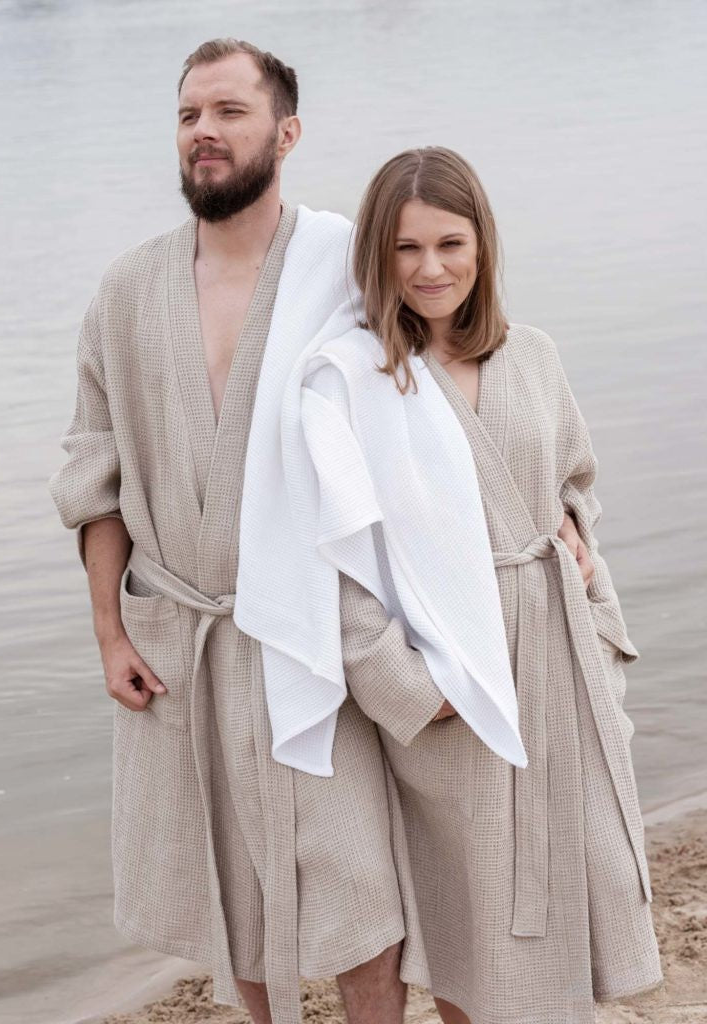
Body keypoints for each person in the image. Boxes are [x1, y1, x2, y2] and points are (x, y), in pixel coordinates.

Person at [50, 40, 427, 1024]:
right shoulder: (126, 292)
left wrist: (555, 506)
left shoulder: (346, 269)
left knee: (357, 890)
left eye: (229, 111)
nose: (205, 132)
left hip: (314, 623)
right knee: (227, 895)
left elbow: (438, 413)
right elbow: (94, 471)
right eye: (188, 116)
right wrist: (110, 632)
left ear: (286, 133)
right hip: (183, 636)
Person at [276, 147, 662, 1024]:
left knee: (580, 883)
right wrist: (416, 689)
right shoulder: (350, 381)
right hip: (449, 678)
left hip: (555, 660)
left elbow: (574, 480)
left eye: (450, 243)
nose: (431, 269)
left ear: (483, 245)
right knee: (477, 926)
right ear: (377, 257)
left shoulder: (533, 356)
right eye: (406, 250)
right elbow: (329, 557)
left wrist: (583, 553)